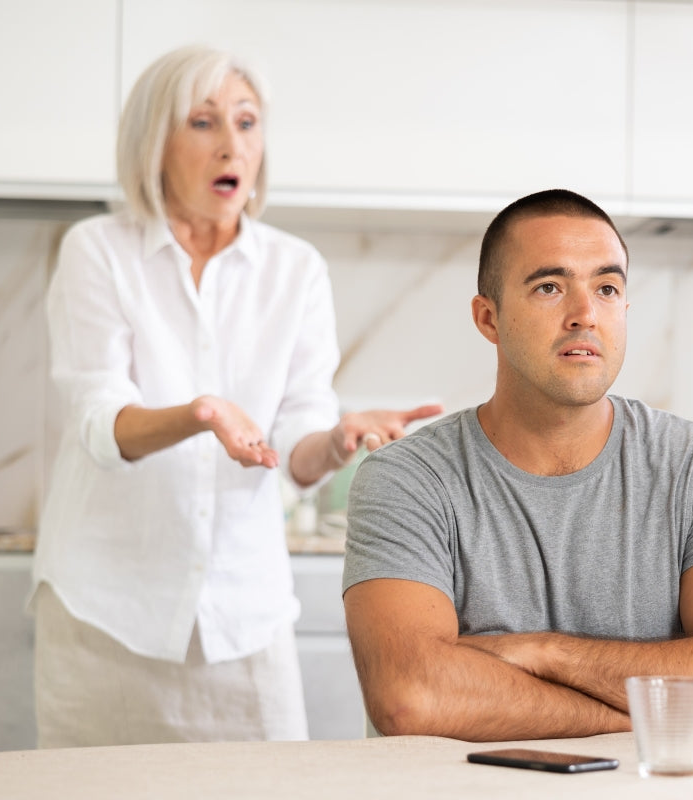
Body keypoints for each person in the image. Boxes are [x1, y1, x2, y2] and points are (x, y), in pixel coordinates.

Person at [32, 45, 442, 747]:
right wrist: (200, 415)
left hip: (242, 623)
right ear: (152, 142)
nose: (233, 144)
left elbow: (296, 447)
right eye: (203, 121)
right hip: (104, 621)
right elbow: (102, 424)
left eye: (247, 122)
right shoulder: (97, 250)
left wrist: (337, 439)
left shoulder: (296, 269)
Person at [343, 189, 693, 740]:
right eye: (549, 287)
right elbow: (412, 697)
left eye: (607, 289)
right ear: (489, 318)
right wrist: (644, 716)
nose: (585, 315)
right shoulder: (408, 479)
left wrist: (546, 652)